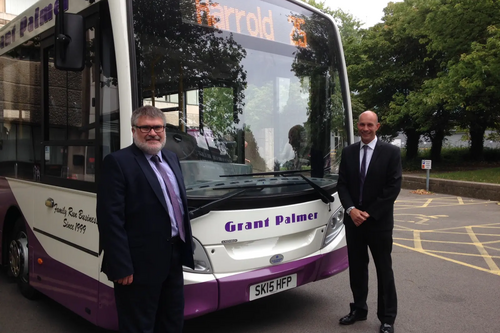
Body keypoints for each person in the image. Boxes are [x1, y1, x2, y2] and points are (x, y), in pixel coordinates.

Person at [97, 105, 194, 333]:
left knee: (172, 322)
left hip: (173, 257)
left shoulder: (171, 158)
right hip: (136, 267)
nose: (153, 133)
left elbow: (176, 204)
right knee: (138, 326)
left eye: (158, 127)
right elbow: (110, 219)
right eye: (145, 128)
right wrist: (121, 266)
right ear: (133, 130)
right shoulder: (118, 162)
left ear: (164, 129)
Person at [337, 111, 402, 333]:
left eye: (370, 125)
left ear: (377, 126)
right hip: (353, 221)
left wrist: (369, 213)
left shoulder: (391, 153)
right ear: (358, 125)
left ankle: (387, 318)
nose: (365, 129)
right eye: (362, 124)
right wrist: (351, 210)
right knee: (357, 268)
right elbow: (342, 185)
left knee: (384, 270)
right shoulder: (348, 152)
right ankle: (358, 309)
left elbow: (393, 188)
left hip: (378, 222)